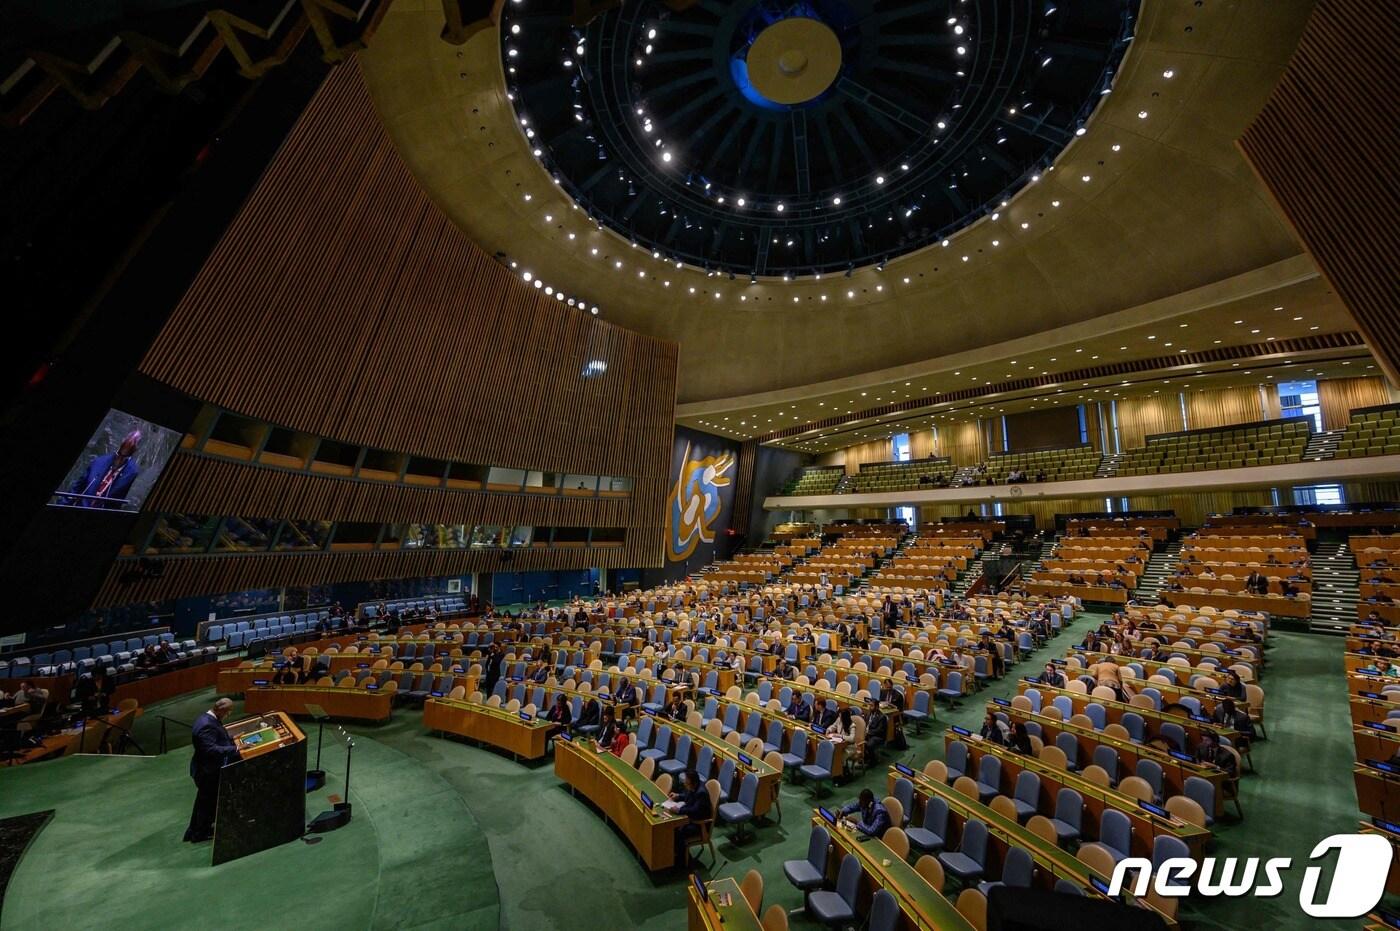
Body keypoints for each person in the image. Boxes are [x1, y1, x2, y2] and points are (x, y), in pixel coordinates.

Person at [184, 698, 240, 842]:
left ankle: (194, 830)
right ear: (221, 710)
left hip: (207, 769)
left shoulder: (208, 718)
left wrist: (232, 739)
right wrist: (235, 749)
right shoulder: (206, 725)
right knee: (207, 803)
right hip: (207, 771)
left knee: (202, 802)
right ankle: (200, 834)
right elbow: (210, 749)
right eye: (228, 712)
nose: (228, 714)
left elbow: (216, 739)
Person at [64, 428, 144, 509]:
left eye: (124, 457)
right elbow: (77, 487)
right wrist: (63, 505)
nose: (120, 459)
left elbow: (121, 500)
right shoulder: (99, 461)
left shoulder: (131, 473)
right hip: (81, 507)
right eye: (119, 455)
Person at [670, 770, 712, 867]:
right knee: (673, 828)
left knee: (677, 832)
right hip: (691, 819)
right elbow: (688, 795)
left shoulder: (701, 793)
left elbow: (694, 810)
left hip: (699, 825)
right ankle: (675, 854)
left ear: (694, 783)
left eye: (687, 782)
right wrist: (678, 796)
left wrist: (679, 811)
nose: (685, 784)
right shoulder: (694, 786)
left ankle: (682, 861)